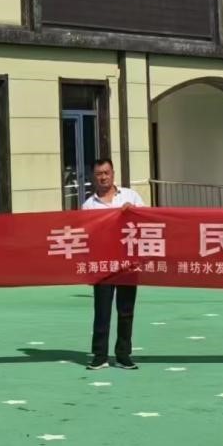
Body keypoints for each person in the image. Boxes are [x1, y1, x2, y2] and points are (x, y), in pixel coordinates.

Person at [81, 158, 145, 370]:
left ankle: (123, 354)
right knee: (102, 311)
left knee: (126, 310)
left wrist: (133, 212)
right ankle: (100, 355)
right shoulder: (89, 205)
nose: (103, 177)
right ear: (94, 177)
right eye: (99, 174)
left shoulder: (130, 196)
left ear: (113, 174)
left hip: (127, 262)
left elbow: (148, 221)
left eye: (106, 173)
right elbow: (86, 236)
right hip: (102, 264)